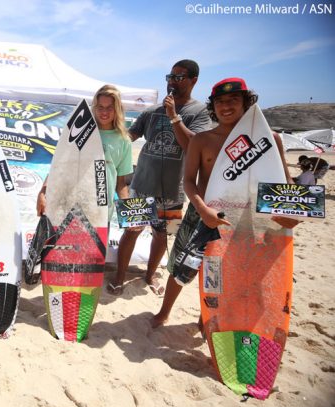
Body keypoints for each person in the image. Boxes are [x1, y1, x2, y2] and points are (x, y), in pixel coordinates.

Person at [151, 77, 296, 328]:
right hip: (203, 213)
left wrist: (291, 213)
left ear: (247, 103)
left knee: (224, 271)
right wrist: (203, 209)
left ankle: (206, 318)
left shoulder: (271, 138)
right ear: (213, 106)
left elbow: (287, 183)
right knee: (182, 266)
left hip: (247, 222)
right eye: (220, 102)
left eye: (233, 100)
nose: (226, 106)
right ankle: (164, 312)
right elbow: (188, 181)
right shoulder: (202, 140)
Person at [108, 59, 211, 296]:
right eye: (170, 77)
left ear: (194, 80)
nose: (172, 82)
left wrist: (174, 116)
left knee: (162, 235)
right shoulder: (150, 112)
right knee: (131, 231)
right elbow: (127, 139)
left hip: (173, 191)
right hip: (141, 185)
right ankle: (120, 276)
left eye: (179, 77)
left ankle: (150, 274)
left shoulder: (200, 113)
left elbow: (192, 145)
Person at [36, 84, 133, 222]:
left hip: (101, 211)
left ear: (117, 109)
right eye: (100, 107)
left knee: (96, 244)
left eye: (109, 107)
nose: (104, 112)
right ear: (94, 107)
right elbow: (60, 164)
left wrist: (129, 214)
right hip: (70, 205)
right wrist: (43, 192)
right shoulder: (82, 130)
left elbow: (121, 183)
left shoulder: (123, 140)